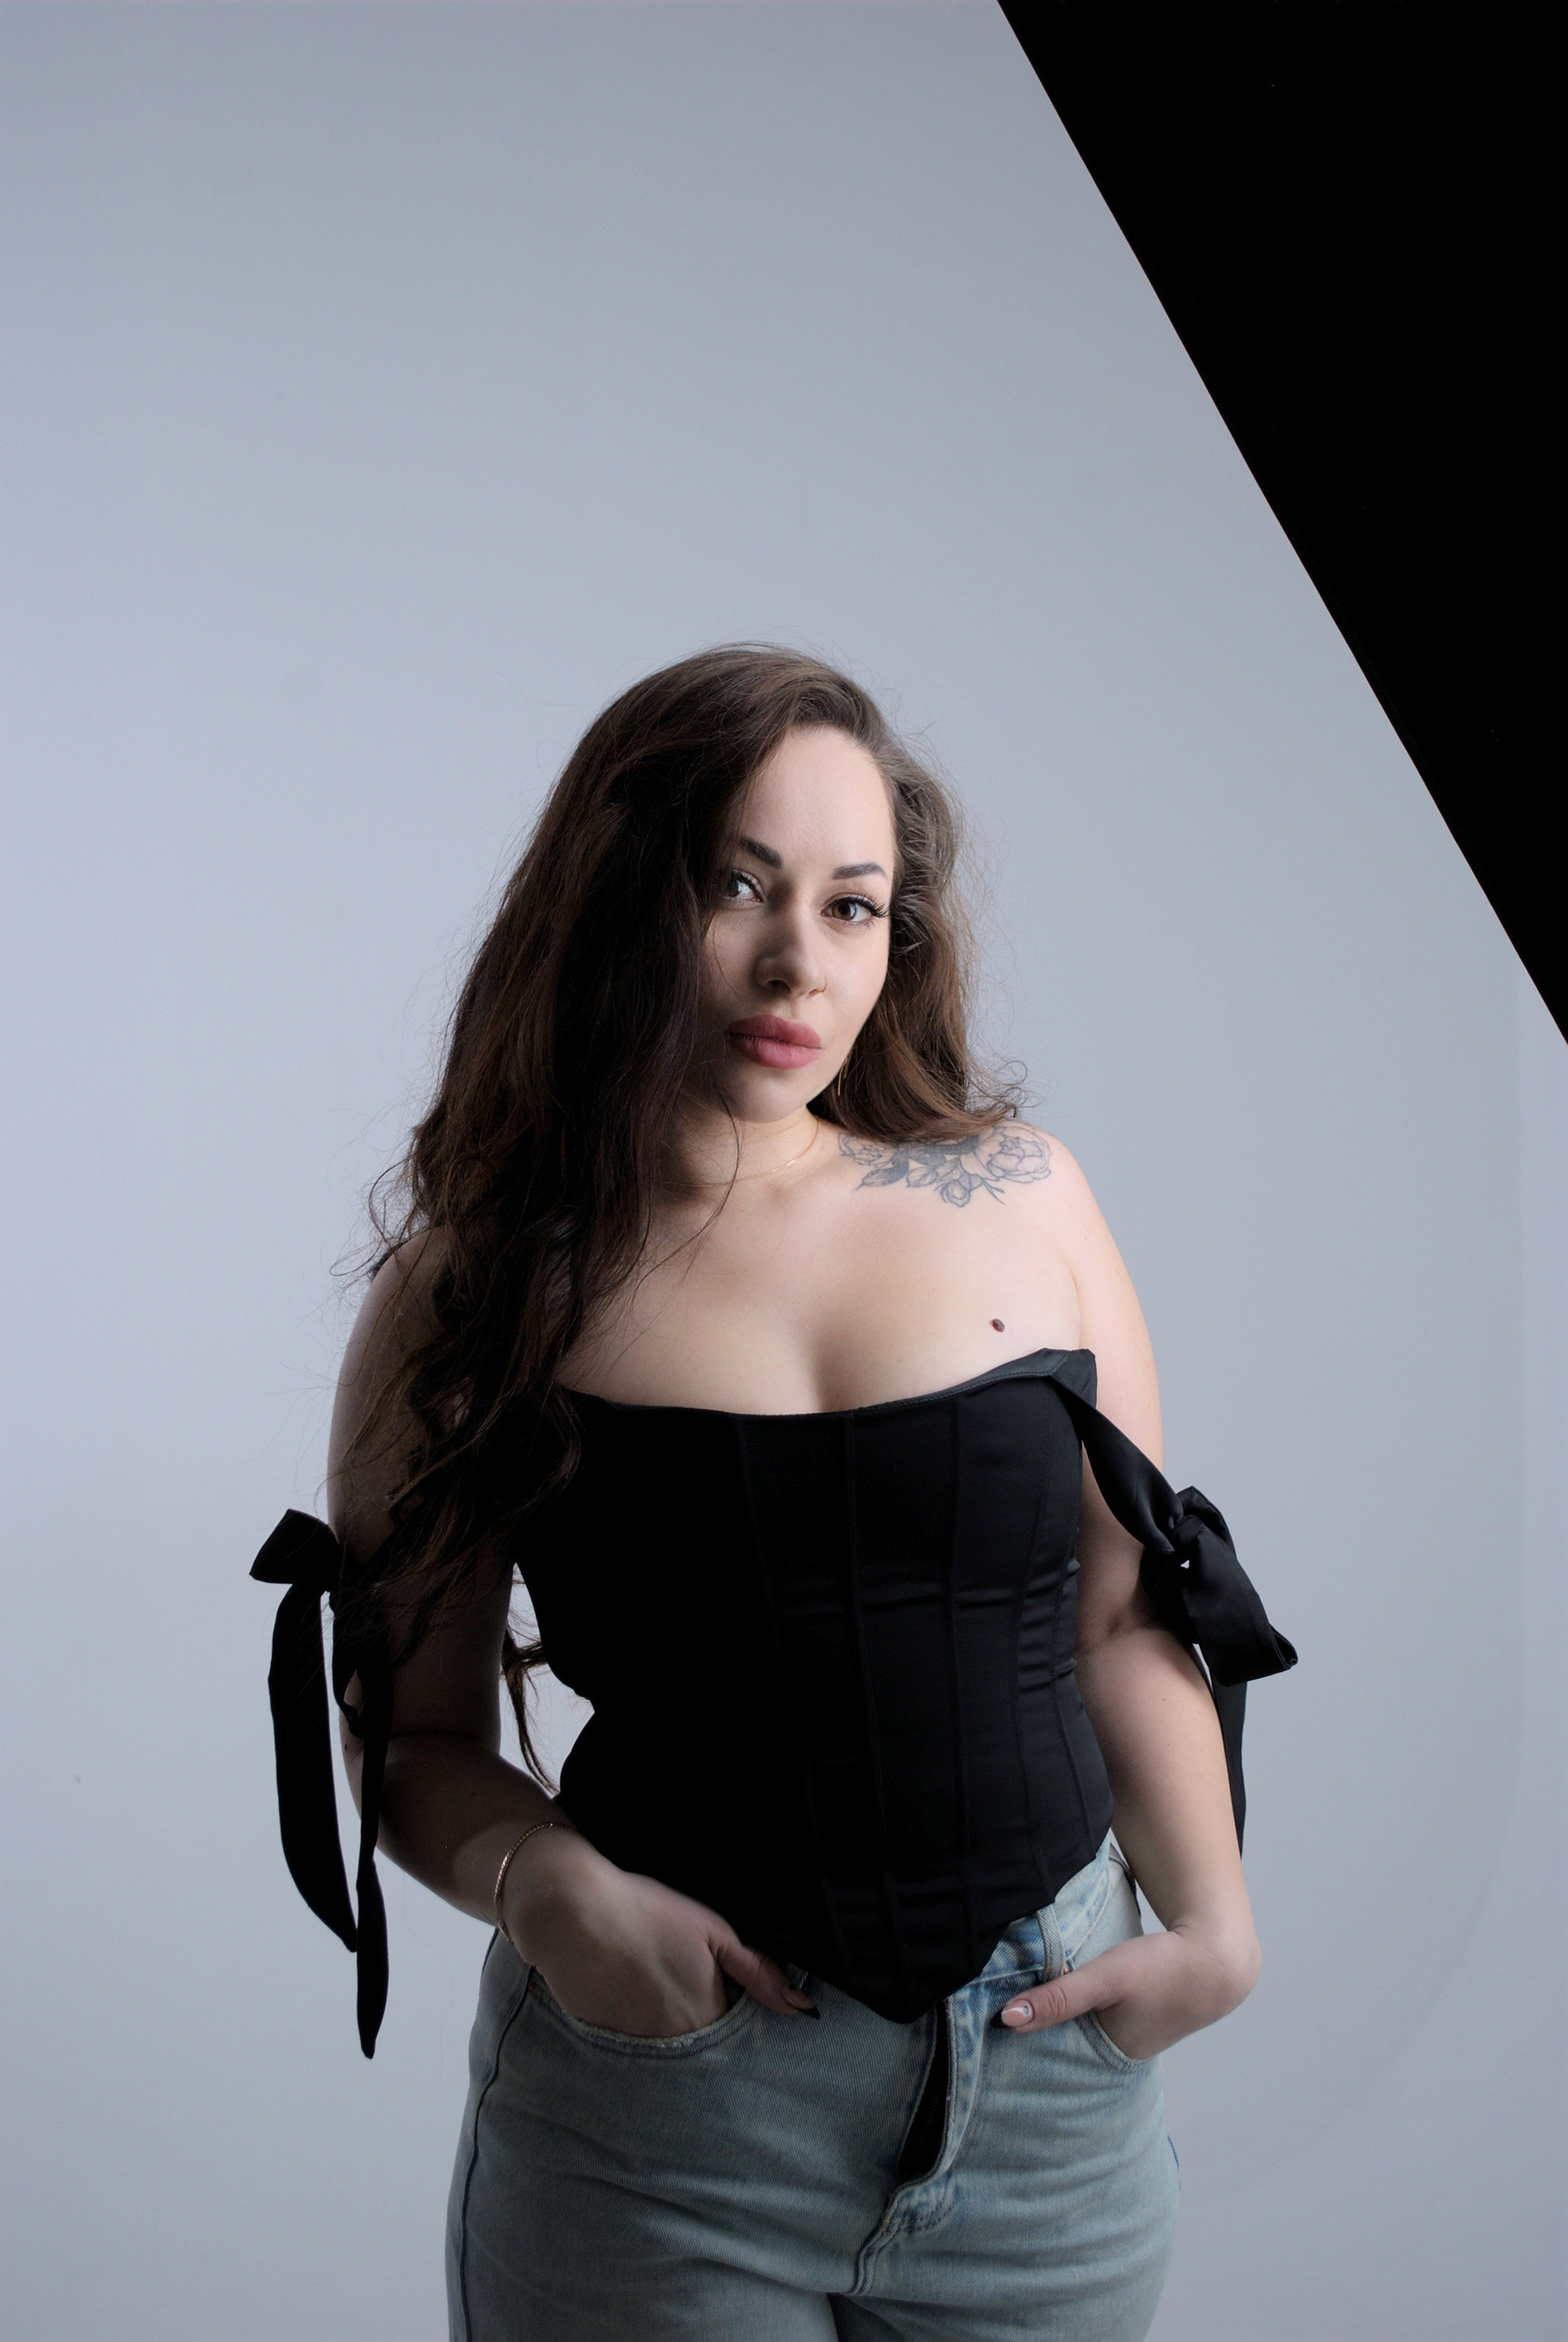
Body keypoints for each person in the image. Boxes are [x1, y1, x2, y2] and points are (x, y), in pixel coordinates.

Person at [252, 645, 1294, 2341]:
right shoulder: (475, 1289)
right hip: (661, 2115)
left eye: (852, 905)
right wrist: (553, 1893)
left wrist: (1219, 1922)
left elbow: (1124, 1615)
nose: (798, 958)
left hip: (1049, 2097)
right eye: (736, 885)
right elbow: (413, 1734)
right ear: (614, 896)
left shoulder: (1025, 1201)